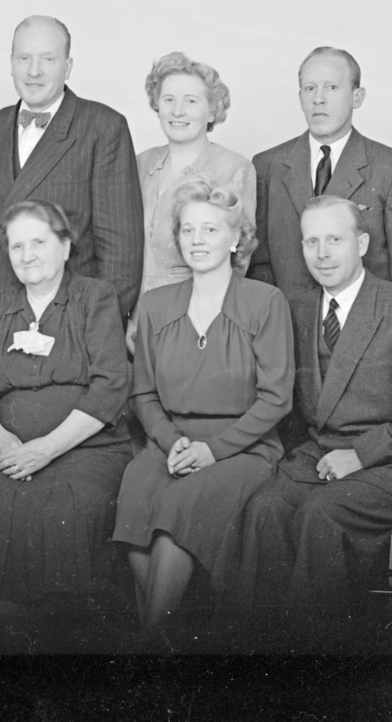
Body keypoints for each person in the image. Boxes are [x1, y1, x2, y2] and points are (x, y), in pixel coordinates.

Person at [241, 196, 392, 639]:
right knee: (265, 507)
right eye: (311, 242)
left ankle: (322, 654)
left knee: (321, 513)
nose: (322, 254)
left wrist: (360, 454)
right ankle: (266, 650)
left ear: (361, 243)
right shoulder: (297, 309)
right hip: (320, 454)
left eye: (335, 240)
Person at [112, 176, 294, 646]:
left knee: (177, 505)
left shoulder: (265, 301)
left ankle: (151, 643)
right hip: (170, 441)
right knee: (135, 496)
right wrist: (174, 443)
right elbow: (143, 394)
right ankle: (163, 646)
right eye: (188, 230)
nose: (197, 239)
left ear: (235, 239)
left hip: (243, 447)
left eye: (210, 229)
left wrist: (212, 450)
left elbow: (277, 399)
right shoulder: (155, 305)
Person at [0, 199, 132, 645]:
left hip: (85, 446)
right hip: (9, 448)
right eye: (17, 246)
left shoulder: (94, 297)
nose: (27, 255)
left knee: (64, 509)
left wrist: (46, 449)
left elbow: (110, 387)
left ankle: (61, 645)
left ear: (65, 246)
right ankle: (9, 641)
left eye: (39, 242)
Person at [0, 15, 143, 320]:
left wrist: (92, 329)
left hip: (65, 326)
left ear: (67, 67)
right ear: (11, 63)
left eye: (48, 59)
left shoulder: (103, 127)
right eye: (24, 58)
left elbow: (121, 256)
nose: (34, 71)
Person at [248, 46, 392, 298]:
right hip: (287, 321)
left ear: (357, 97)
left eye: (332, 87)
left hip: (366, 322)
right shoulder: (267, 165)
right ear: (300, 97)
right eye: (310, 88)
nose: (318, 99)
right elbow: (258, 267)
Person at [129, 52, 255, 352]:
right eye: (169, 99)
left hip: (196, 322)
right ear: (157, 105)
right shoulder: (138, 163)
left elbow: (238, 261)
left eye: (191, 101)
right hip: (133, 322)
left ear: (212, 111)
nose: (178, 111)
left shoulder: (233, 168)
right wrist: (128, 320)